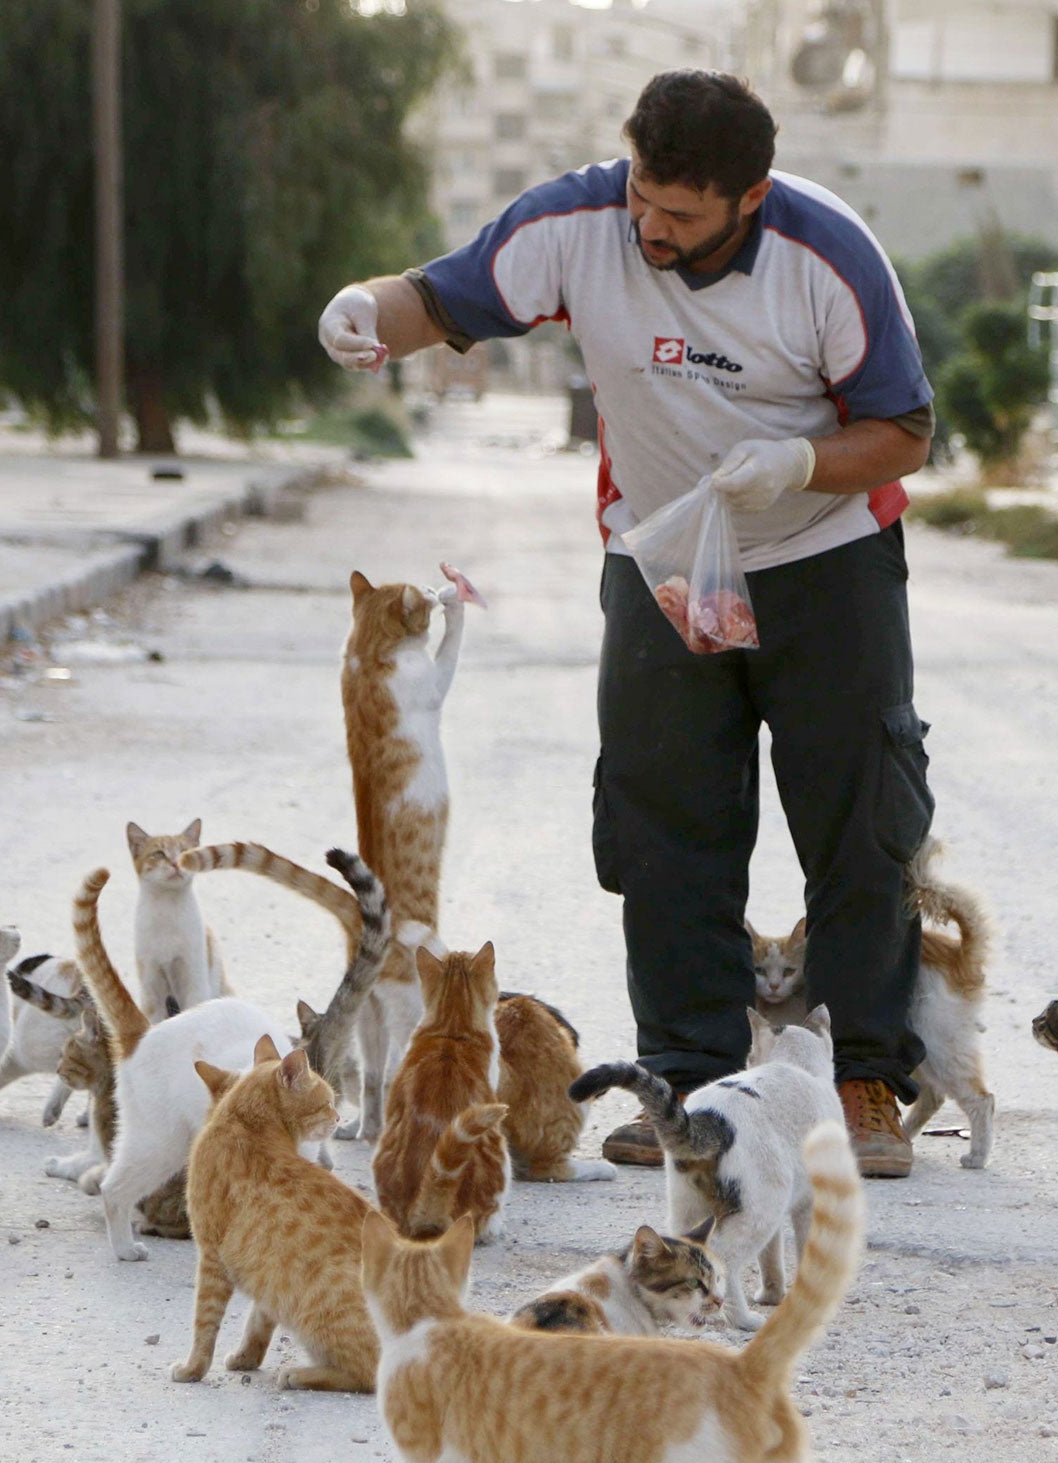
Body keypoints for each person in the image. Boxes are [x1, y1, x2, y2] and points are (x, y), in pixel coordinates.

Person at [316, 70, 936, 1177]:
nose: (650, 225)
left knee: (858, 822)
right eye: (643, 195)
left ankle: (867, 1082)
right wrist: (365, 314)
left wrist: (797, 461)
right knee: (664, 823)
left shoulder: (827, 255)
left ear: (747, 198)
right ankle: (685, 1085)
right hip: (658, 561)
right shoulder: (578, 222)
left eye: (681, 212)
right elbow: (440, 297)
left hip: (823, 561)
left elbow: (902, 429)